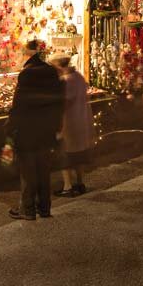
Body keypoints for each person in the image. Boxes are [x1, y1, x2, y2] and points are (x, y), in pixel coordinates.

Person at [5, 39, 65, 220]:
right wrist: (56, 126)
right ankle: (44, 208)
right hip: (46, 131)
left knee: (28, 171)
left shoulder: (26, 75)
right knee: (43, 170)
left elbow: (19, 105)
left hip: (28, 131)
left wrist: (10, 129)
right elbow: (58, 102)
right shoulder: (51, 72)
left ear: (28, 54)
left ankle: (28, 210)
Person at [51, 54, 92, 197]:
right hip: (81, 120)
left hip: (68, 123)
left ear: (58, 66)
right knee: (79, 155)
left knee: (65, 155)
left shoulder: (65, 81)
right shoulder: (79, 77)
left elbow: (64, 103)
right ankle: (80, 183)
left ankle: (68, 186)